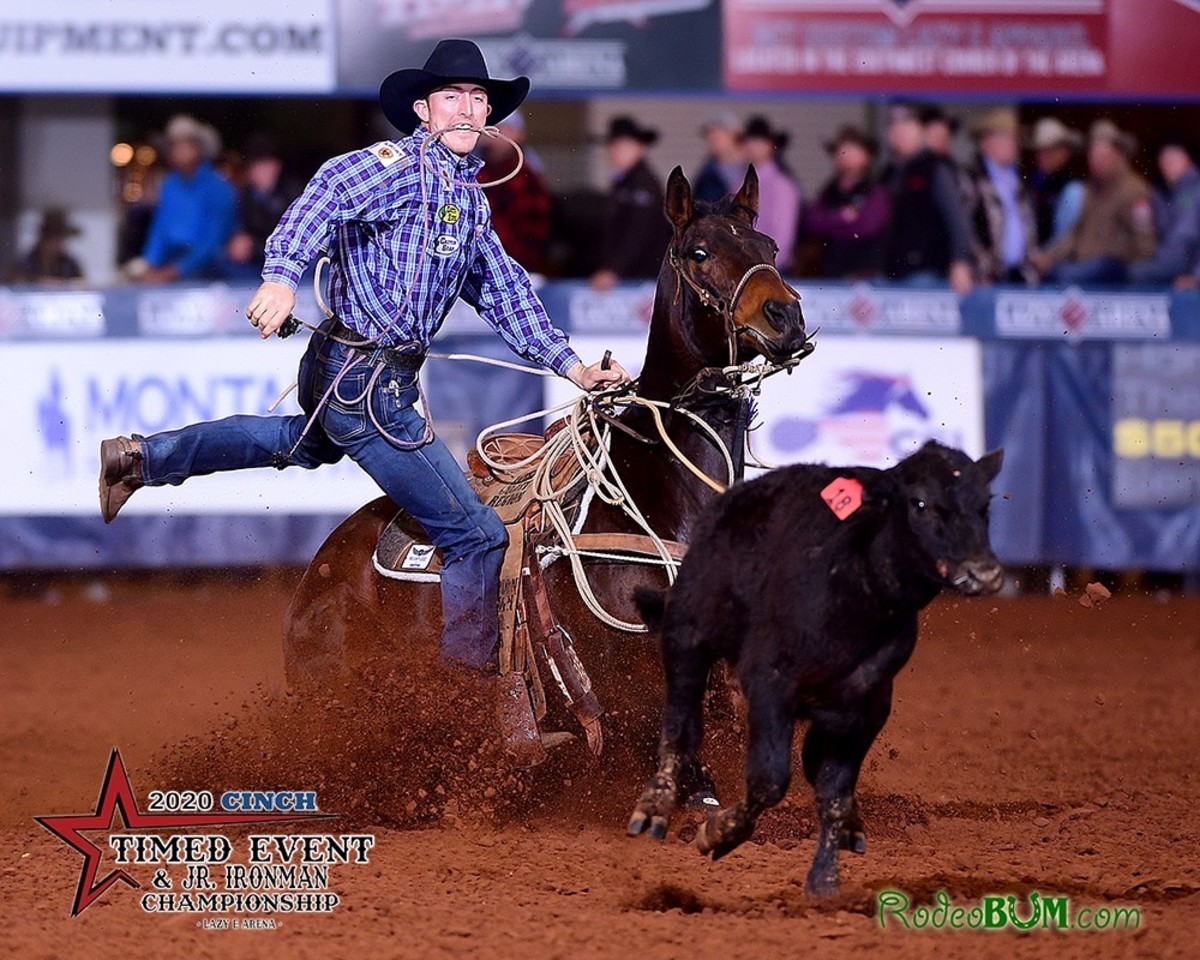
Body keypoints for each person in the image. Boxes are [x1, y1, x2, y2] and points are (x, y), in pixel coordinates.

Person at [98, 39, 629, 676]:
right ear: (424, 111)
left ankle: (142, 457)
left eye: (478, 98)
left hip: (350, 370)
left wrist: (573, 367)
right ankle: (468, 700)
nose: (466, 109)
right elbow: (323, 196)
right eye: (452, 97)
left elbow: (504, 291)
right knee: (478, 537)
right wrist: (280, 276)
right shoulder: (393, 167)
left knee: (303, 443)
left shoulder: (469, 201)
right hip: (369, 382)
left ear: (489, 114)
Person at [1034, 120, 1157, 285]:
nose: (1096, 161)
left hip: (1113, 267)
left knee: (1071, 274)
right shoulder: (1090, 190)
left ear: (1118, 156)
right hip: (1084, 265)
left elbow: (1145, 243)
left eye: (1103, 156)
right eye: (1093, 155)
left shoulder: (1134, 191)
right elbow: (1074, 234)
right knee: (1054, 272)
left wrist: (1132, 274)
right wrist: (1049, 256)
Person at [881, 103, 974, 295]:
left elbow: (956, 219)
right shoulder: (888, 174)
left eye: (907, 125)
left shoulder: (935, 169)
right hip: (892, 274)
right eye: (894, 126)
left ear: (922, 132)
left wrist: (960, 262)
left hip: (926, 273)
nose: (900, 132)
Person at [134, 115, 237, 282]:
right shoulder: (170, 184)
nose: (179, 151)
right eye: (175, 145)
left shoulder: (219, 187)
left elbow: (212, 243)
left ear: (199, 149)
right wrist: (149, 264)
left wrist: (172, 272)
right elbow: (160, 229)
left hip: (209, 270)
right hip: (172, 264)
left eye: (186, 145)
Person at [590, 116, 671, 290]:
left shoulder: (643, 183)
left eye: (624, 146)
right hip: (629, 278)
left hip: (640, 279)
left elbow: (639, 231)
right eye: (613, 145)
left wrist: (614, 270)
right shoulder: (623, 183)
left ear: (640, 148)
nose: (616, 151)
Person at [803, 125, 890, 279]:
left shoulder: (875, 192)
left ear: (867, 156)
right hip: (831, 272)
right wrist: (840, 218)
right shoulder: (829, 191)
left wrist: (830, 225)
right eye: (842, 150)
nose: (846, 155)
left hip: (864, 275)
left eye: (853, 150)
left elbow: (866, 228)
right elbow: (811, 222)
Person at [477, 111, 554, 275]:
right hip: (480, 265)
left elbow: (535, 228)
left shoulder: (527, 173)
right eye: (493, 130)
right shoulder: (476, 169)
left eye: (505, 130)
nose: (496, 138)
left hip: (517, 266)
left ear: (519, 134)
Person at [967, 108, 1037, 284]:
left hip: (1021, 275)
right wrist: (980, 266)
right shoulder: (972, 179)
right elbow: (964, 229)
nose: (1012, 144)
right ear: (985, 142)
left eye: (1013, 138)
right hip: (986, 277)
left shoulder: (1020, 179)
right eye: (1004, 138)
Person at [224, 135, 298, 281]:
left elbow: (298, 240)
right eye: (255, 166)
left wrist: (255, 246)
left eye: (264, 165)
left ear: (276, 166)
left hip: (289, 261)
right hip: (258, 262)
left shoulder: (293, 193)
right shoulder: (244, 196)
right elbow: (239, 230)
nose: (259, 172)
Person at [1128, 137, 1200, 286]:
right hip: (1162, 259)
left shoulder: (1197, 190)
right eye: (1164, 159)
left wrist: (1197, 277)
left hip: (1188, 263)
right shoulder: (1158, 194)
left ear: (1189, 160)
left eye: (1174, 158)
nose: (1168, 163)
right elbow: (1148, 235)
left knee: (1134, 274)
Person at [739, 116, 802, 270]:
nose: (752, 146)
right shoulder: (738, 183)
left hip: (769, 270)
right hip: (742, 269)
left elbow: (783, 238)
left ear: (771, 146)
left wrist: (764, 268)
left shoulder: (782, 186)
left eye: (758, 142)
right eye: (749, 141)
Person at [1028, 117, 1086, 247]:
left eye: (1050, 151)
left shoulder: (1073, 189)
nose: (1042, 157)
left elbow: (1064, 237)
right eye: (1040, 151)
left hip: (1055, 260)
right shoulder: (1038, 179)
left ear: (1064, 152)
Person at [7, 209, 84, 283]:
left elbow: (80, 283)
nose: (59, 244)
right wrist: (38, 281)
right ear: (44, 240)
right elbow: (16, 281)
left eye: (61, 239)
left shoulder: (69, 264)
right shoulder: (27, 262)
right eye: (55, 240)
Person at [693, 112, 746, 205]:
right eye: (708, 137)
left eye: (717, 136)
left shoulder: (756, 166)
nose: (712, 141)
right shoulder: (707, 172)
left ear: (734, 135)